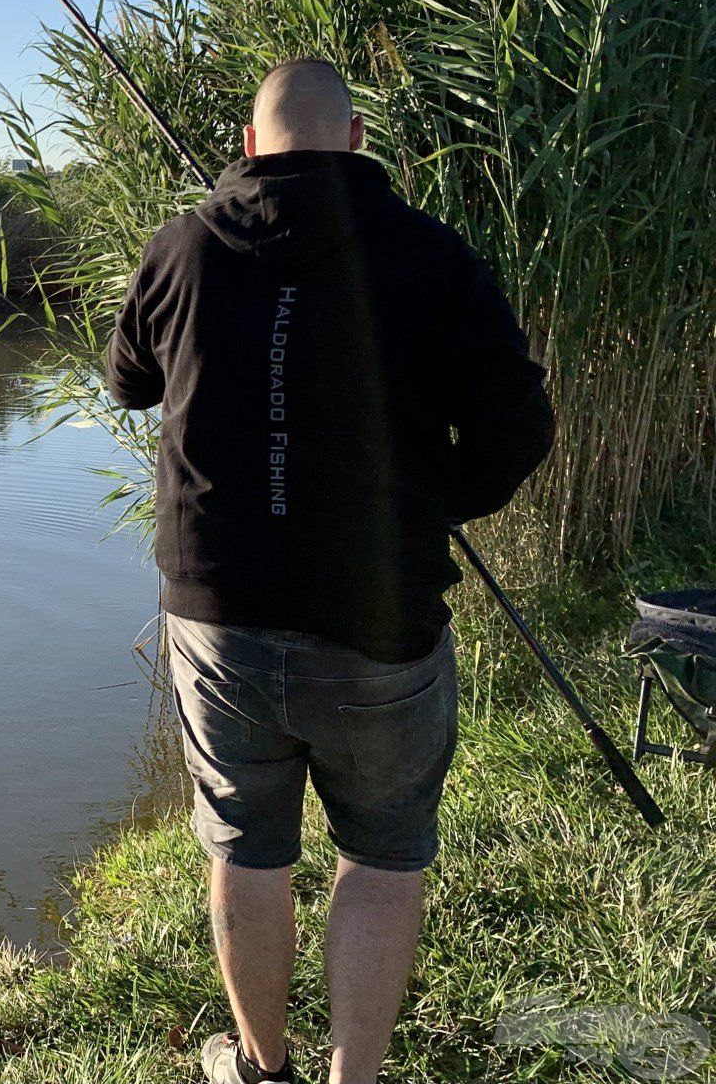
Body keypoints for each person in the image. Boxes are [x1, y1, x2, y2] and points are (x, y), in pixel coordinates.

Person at [103, 58, 555, 1084]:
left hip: (219, 619)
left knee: (245, 852)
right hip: (379, 618)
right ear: (356, 140)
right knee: (385, 858)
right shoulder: (430, 254)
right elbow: (519, 425)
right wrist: (437, 495)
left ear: (252, 147)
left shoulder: (182, 246)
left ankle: (263, 1069)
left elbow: (125, 376)